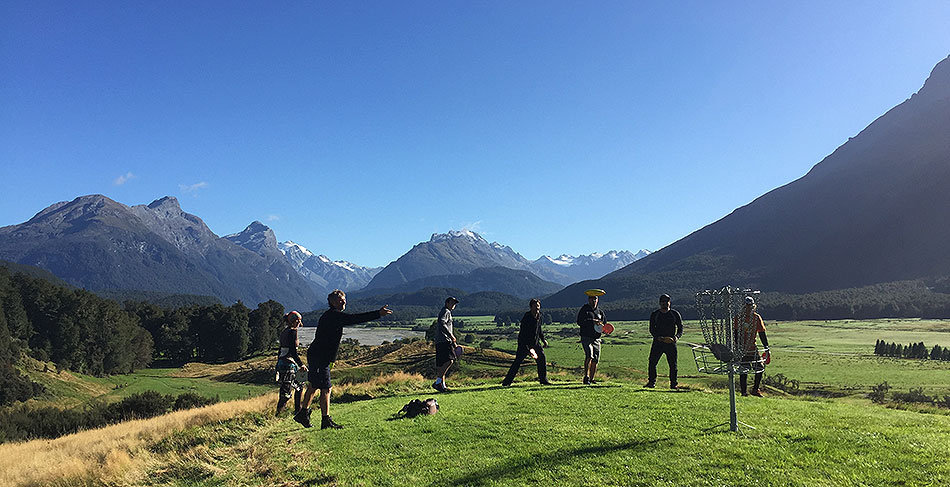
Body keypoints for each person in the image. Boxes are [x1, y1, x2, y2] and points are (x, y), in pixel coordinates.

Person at [293, 290, 393, 429]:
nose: (344, 302)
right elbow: (354, 318)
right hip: (320, 357)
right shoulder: (334, 316)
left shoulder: (330, 315)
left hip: (318, 355)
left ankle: (303, 414)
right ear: (333, 302)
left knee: (314, 385)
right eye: (341, 300)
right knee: (326, 388)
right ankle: (325, 420)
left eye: (344, 299)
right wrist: (378, 314)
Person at [502, 298, 551, 386]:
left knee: (542, 359)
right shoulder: (527, 317)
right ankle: (507, 382)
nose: (537, 308)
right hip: (524, 344)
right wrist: (527, 349)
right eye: (535, 306)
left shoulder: (539, 316)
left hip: (535, 343)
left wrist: (543, 340)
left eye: (538, 306)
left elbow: (539, 329)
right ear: (531, 307)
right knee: (517, 362)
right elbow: (523, 334)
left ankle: (543, 380)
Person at [734, 296, 770, 397]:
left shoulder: (756, 318)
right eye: (746, 307)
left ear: (753, 306)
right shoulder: (738, 318)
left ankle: (755, 390)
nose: (748, 309)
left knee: (760, 368)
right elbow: (735, 333)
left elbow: (762, 333)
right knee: (743, 370)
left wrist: (766, 347)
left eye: (750, 307)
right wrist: (738, 347)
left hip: (753, 348)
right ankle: (744, 392)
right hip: (743, 349)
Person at [646, 294, 683, 389]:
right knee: (652, 363)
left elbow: (680, 328)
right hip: (658, 343)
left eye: (666, 301)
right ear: (660, 303)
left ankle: (673, 384)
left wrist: (676, 338)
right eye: (663, 302)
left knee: (673, 365)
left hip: (671, 343)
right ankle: (651, 382)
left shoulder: (675, 314)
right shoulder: (655, 314)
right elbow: (651, 329)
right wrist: (658, 337)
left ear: (669, 303)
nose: (665, 303)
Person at [276, 310, 307, 416]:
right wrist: (301, 364)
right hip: (289, 364)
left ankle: (282, 411)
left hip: (282, 362)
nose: (299, 323)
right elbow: (293, 351)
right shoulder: (293, 332)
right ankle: (295, 410)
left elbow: (280, 349)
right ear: (294, 321)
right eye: (298, 321)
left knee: (287, 388)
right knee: (295, 386)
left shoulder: (284, 331)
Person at [577, 292, 607, 384]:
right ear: (588, 299)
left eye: (595, 299)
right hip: (586, 337)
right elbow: (579, 322)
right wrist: (592, 321)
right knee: (589, 355)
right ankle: (586, 377)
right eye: (592, 299)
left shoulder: (600, 312)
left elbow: (604, 323)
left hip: (597, 338)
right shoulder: (585, 310)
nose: (594, 300)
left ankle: (592, 378)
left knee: (596, 359)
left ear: (597, 300)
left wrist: (606, 329)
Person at [432, 296, 460, 392]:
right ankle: (438, 382)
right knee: (449, 360)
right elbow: (442, 323)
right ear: (447, 303)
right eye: (452, 303)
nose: (454, 305)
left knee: (442, 364)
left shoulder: (444, 311)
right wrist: (451, 336)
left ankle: (442, 386)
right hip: (444, 340)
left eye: (455, 303)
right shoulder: (446, 312)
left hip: (440, 340)